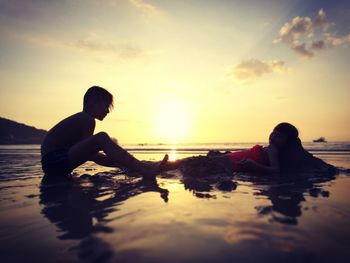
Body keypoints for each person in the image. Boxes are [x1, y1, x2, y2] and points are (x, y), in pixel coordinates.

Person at [41, 86, 168, 178]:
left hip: (54, 164)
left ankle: (142, 167)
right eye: (106, 106)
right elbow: (93, 155)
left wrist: (125, 164)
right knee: (102, 137)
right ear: (93, 103)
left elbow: (90, 154)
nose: (107, 111)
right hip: (55, 161)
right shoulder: (87, 119)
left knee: (102, 140)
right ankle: (144, 169)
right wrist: (126, 164)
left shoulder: (83, 119)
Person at [171, 122, 335, 176]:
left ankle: (155, 167)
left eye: (279, 136)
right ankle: (155, 167)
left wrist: (254, 166)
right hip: (231, 158)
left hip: (231, 163)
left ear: (287, 142)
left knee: (190, 161)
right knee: (189, 161)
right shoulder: (270, 148)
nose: (273, 136)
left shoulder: (273, 151)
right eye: (273, 132)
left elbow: (275, 170)